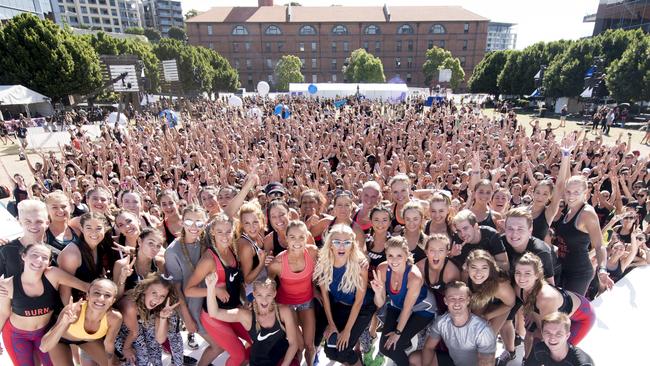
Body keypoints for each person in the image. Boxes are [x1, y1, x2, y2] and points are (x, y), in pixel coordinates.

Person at [0, 243, 89, 366]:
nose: (38, 260)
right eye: (34, 255)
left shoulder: (53, 275)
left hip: (45, 333)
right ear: (23, 256)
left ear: (48, 263)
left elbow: (85, 286)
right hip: (16, 336)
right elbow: (3, 313)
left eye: (44, 257)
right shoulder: (7, 285)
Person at [185, 213, 251, 366]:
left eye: (228, 231)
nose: (224, 235)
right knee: (238, 354)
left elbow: (235, 280)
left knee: (256, 339)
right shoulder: (209, 260)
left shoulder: (232, 250)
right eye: (220, 231)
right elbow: (189, 290)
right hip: (214, 316)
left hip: (232, 311)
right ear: (212, 232)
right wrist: (215, 290)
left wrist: (244, 300)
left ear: (233, 230)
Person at [313, 224, 376, 366]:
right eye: (337, 242)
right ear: (330, 245)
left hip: (362, 308)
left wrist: (347, 331)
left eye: (347, 242)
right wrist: (331, 325)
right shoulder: (323, 264)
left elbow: (359, 302)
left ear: (352, 246)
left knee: (343, 350)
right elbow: (326, 298)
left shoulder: (359, 266)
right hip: (340, 306)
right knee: (330, 351)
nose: (342, 246)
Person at [370, 236, 436, 366]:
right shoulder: (382, 269)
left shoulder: (414, 276)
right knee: (384, 348)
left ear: (407, 255)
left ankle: (404, 345)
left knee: (394, 345)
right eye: (390, 255)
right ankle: (406, 343)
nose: (394, 260)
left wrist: (398, 333)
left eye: (399, 255)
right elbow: (380, 303)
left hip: (422, 309)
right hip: (397, 305)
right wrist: (378, 293)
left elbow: (407, 308)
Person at [205, 277, 300, 366]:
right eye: (259, 295)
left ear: (274, 294)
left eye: (268, 295)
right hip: (259, 362)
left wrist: (285, 364)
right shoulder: (246, 316)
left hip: (282, 359)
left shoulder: (284, 311)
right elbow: (214, 313)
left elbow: (293, 343)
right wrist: (210, 287)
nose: (264, 300)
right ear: (254, 294)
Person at [514, 253, 596, 352]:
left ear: (537, 275)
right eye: (518, 272)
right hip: (560, 308)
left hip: (582, 317)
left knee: (555, 350)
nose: (521, 278)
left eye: (527, 273)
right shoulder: (519, 289)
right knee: (531, 328)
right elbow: (529, 331)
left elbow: (543, 335)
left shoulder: (545, 298)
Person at [268, 221, 319, 366]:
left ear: (306, 237)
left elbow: (322, 270)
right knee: (299, 345)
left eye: (301, 237)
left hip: (306, 301)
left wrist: (315, 289)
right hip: (286, 305)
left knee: (309, 346)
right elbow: (269, 284)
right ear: (286, 238)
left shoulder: (313, 252)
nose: (297, 242)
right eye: (292, 237)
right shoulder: (277, 262)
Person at [552, 175, 613, 295]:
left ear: (585, 193)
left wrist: (602, 269)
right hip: (562, 268)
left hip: (579, 273)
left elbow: (599, 245)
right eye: (568, 191)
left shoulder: (587, 213)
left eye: (576, 192)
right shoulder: (568, 210)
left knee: (568, 310)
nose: (571, 195)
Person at [39, 279, 123, 366]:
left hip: (86, 340)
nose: (101, 298)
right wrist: (64, 322)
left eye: (107, 295)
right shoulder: (74, 310)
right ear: (87, 295)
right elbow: (44, 347)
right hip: (60, 340)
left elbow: (109, 344)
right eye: (97, 293)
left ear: (113, 301)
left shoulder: (115, 318)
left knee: (114, 364)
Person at [419, 281, 497, 366]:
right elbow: (428, 347)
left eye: (461, 298)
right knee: (415, 359)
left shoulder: (483, 330)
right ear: (445, 301)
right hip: (454, 362)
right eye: (452, 298)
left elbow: (487, 363)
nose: (457, 303)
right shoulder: (441, 322)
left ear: (468, 300)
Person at [114, 273, 183, 366]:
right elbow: (134, 333)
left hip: (138, 327)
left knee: (155, 353)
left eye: (162, 296)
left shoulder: (158, 306)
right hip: (121, 333)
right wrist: (126, 348)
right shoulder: (130, 305)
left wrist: (163, 318)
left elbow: (160, 339)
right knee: (142, 355)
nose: (157, 299)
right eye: (154, 293)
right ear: (145, 290)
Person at [465, 250, 515, 334]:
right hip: (481, 298)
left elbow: (510, 304)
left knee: (487, 335)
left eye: (484, 268)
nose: (478, 273)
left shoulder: (500, 286)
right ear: (467, 268)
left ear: (490, 269)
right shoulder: (465, 276)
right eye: (474, 267)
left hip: (502, 304)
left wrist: (488, 316)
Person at [0, 200, 49, 278]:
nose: (33, 226)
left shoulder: (53, 254)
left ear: (47, 223)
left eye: (39, 221)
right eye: (28, 221)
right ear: (20, 222)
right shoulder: (6, 250)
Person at [236, 201, 273, 301]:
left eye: (255, 222)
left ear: (261, 221)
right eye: (247, 223)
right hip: (253, 294)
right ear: (242, 225)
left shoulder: (258, 236)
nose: (252, 227)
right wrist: (261, 263)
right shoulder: (246, 245)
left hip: (264, 288)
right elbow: (247, 279)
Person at [526, 312, 595, 366]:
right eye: (547, 333)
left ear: (567, 336)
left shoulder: (582, 363)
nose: (552, 338)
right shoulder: (540, 349)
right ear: (542, 333)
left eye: (558, 334)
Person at [112, 227, 164, 297]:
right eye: (151, 243)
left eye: (158, 246)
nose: (155, 248)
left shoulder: (159, 263)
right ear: (139, 241)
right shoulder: (122, 264)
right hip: (128, 305)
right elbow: (116, 298)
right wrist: (122, 278)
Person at [416, 233, 460, 314]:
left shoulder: (451, 272)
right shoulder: (420, 267)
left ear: (447, 253)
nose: (436, 255)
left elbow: (456, 299)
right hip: (427, 300)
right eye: (432, 250)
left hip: (446, 300)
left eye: (441, 250)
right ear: (426, 252)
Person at [44, 191, 80, 259]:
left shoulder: (77, 231)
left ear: (69, 208)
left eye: (63, 206)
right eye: (54, 207)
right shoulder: (44, 236)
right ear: (47, 210)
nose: (60, 210)